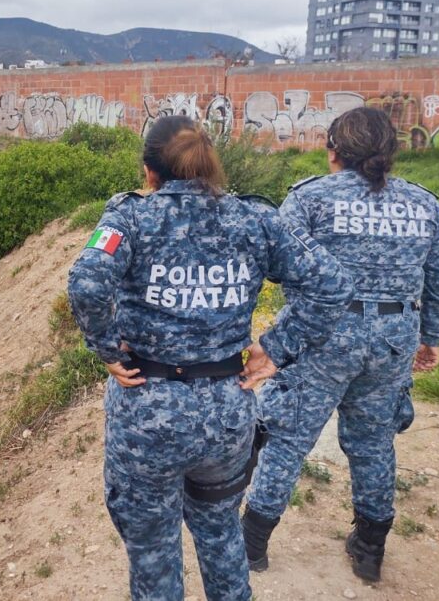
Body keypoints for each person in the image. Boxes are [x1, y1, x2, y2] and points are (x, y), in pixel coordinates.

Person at [67, 116, 353, 601]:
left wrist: (107, 349)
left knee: (153, 549)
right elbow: (333, 285)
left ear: (149, 172)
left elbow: (87, 282)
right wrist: (276, 349)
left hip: (147, 414)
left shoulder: (131, 218)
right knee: (220, 531)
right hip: (227, 410)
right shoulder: (255, 218)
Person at [243, 107, 439, 583]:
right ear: (390, 153)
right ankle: (369, 550)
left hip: (319, 337)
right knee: (373, 443)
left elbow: (276, 266)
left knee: (287, 439)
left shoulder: (310, 198)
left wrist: (279, 341)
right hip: (392, 340)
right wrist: (432, 338)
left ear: (333, 150)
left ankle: (253, 545)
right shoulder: (425, 205)